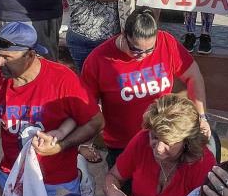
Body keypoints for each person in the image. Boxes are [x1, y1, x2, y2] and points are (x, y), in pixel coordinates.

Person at [0, 23, 102, 196]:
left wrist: (62, 145)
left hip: (56, 177)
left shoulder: (63, 79)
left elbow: (96, 122)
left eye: (6, 57)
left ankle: (79, 177)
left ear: (31, 55)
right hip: (11, 175)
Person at [81, 8, 210, 166]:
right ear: (123, 34)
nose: (143, 56)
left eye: (150, 50)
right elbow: (87, 106)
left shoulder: (167, 42)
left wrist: (201, 117)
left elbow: (193, 76)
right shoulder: (98, 60)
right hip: (123, 146)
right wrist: (86, 141)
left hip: (162, 138)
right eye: (135, 50)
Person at [104, 95, 216, 196]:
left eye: (168, 142)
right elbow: (113, 176)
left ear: (187, 142)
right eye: (154, 137)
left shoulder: (203, 163)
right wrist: (112, 191)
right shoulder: (141, 140)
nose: (158, 149)